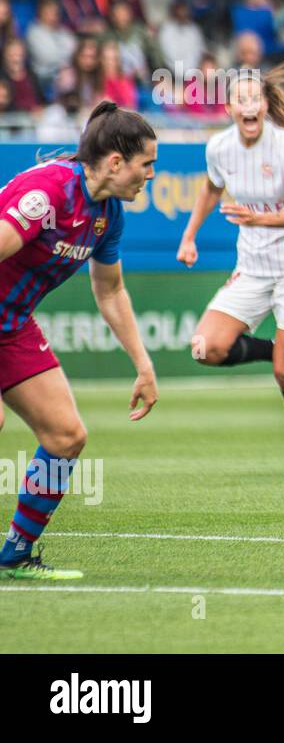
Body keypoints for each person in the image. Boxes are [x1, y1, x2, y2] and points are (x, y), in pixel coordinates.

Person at [0, 102, 159, 579]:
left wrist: (144, 365)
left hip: (12, 325)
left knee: (66, 437)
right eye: (146, 164)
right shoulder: (47, 191)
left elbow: (110, 291)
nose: (149, 175)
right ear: (115, 162)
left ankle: (15, 555)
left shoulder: (108, 215)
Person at [176, 64, 284, 480]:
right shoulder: (219, 148)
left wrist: (258, 220)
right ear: (229, 107)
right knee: (204, 348)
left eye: (254, 99)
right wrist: (189, 237)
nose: (248, 106)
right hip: (253, 269)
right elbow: (210, 187)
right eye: (240, 100)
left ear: (264, 105)